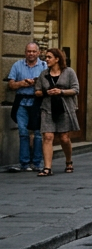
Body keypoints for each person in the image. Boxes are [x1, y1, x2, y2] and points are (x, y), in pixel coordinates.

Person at [35, 48, 78, 176]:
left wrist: (61, 92)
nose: (46, 59)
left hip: (64, 108)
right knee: (48, 137)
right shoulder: (44, 74)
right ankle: (47, 168)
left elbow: (76, 89)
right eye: (46, 57)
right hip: (48, 108)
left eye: (49, 57)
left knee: (64, 138)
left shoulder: (69, 72)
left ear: (57, 59)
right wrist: (45, 92)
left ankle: (69, 161)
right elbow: (37, 91)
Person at [7, 42, 46, 171]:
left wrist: (35, 83)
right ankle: (24, 163)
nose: (31, 54)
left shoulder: (44, 66)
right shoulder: (17, 65)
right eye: (29, 51)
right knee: (23, 132)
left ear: (38, 53)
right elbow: (11, 84)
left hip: (37, 102)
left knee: (38, 133)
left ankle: (37, 163)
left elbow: (48, 84)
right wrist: (22, 84)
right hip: (21, 102)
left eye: (34, 51)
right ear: (25, 53)